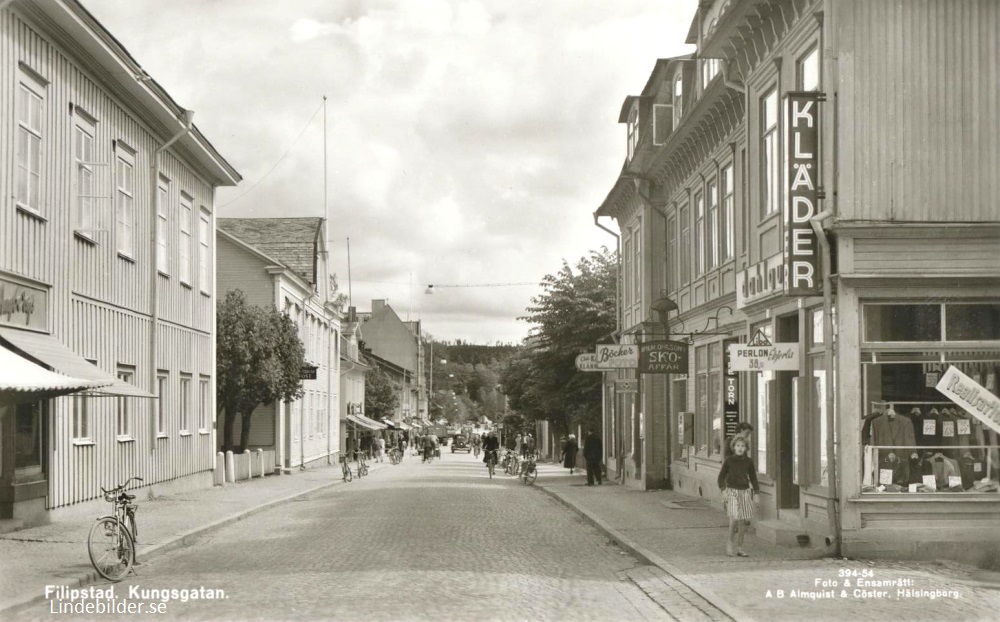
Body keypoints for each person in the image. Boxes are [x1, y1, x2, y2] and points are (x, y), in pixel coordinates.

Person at [718, 436, 760, 557]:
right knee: (734, 519)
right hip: (732, 491)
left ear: (746, 448)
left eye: (742, 446)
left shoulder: (749, 461)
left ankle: (740, 548)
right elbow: (721, 477)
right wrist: (723, 490)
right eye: (738, 446)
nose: (740, 448)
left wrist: (756, 493)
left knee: (742, 522)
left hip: (745, 492)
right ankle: (730, 543)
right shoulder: (729, 460)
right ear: (734, 447)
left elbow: (753, 478)